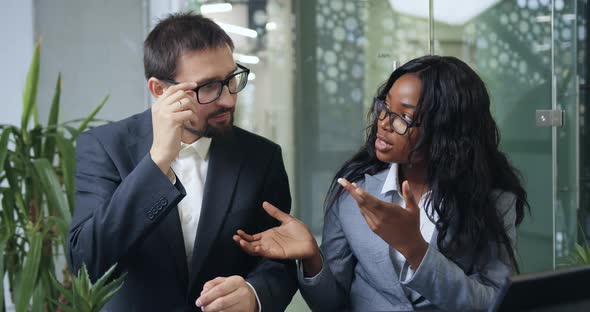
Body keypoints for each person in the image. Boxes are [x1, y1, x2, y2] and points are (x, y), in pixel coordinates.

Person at [234, 55, 529, 311]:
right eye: (384, 107)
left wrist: (416, 250)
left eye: (403, 116)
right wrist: (313, 257)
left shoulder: (493, 198)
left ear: (446, 132)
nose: (384, 123)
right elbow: (331, 304)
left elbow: (494, 301)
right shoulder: (353, 190)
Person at [67, 12, 297, 311]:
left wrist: (255, 293)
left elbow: (280, 259)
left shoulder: (262, 157)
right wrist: (157, 162)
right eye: (209, 87)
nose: (228, 99)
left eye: (231, 79)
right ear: (160, 90)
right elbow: (86, 260)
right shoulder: (105, 147)